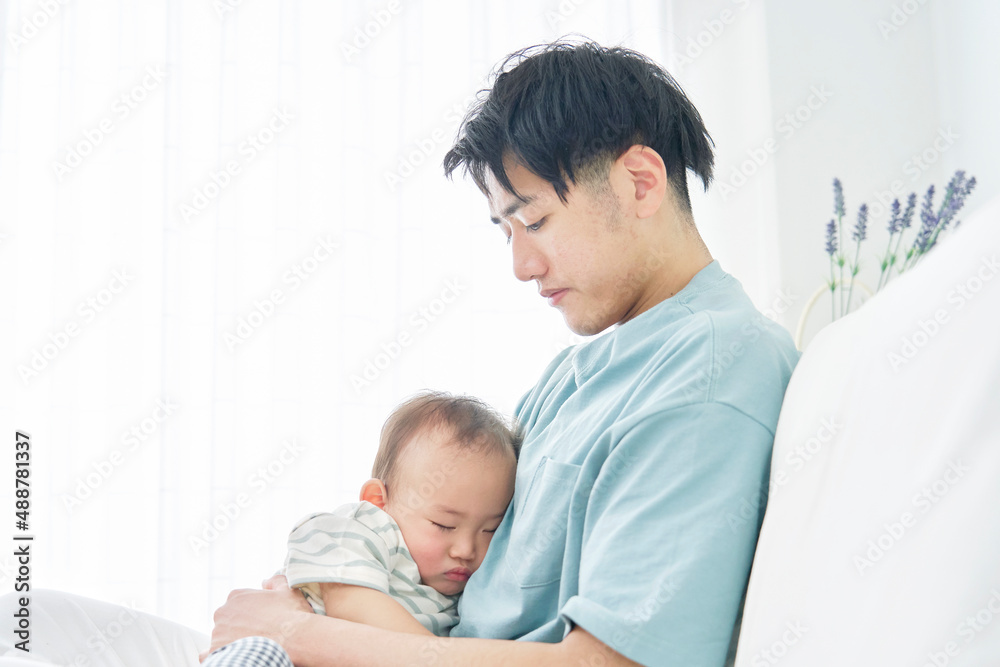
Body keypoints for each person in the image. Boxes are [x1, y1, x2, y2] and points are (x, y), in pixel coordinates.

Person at [203, 39, 800, 667]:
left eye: (535, 221)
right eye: (506, 231)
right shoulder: (575, 373)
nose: (521, 265)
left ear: (640, 184)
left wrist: (297, 635)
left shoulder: (710, 374)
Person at [280, 391, 518, 636]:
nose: (466, 550)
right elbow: (351, 606)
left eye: (490, 529)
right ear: (378, 502)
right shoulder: (363, 531)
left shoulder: (468, 592)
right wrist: (439, 653)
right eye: (444, 524)